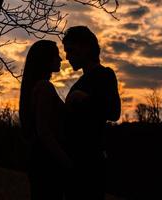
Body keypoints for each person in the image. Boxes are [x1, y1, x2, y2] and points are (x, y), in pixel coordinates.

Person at [62, 26, 121, 200]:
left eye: (71, 50)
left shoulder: (105, 75)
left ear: (85, 48)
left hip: (91, 164)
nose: (67, 56)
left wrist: (84, 99)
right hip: (74, 163)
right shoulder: (78, 83)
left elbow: (114, 112)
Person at [19, 40, 73, 200]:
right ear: (45, 59)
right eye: (56, 55)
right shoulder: (44, 87)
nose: (61, 59)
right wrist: (67, 161)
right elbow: (44, 132)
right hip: (47, 162)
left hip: (39, 159)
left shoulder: (35, 86)